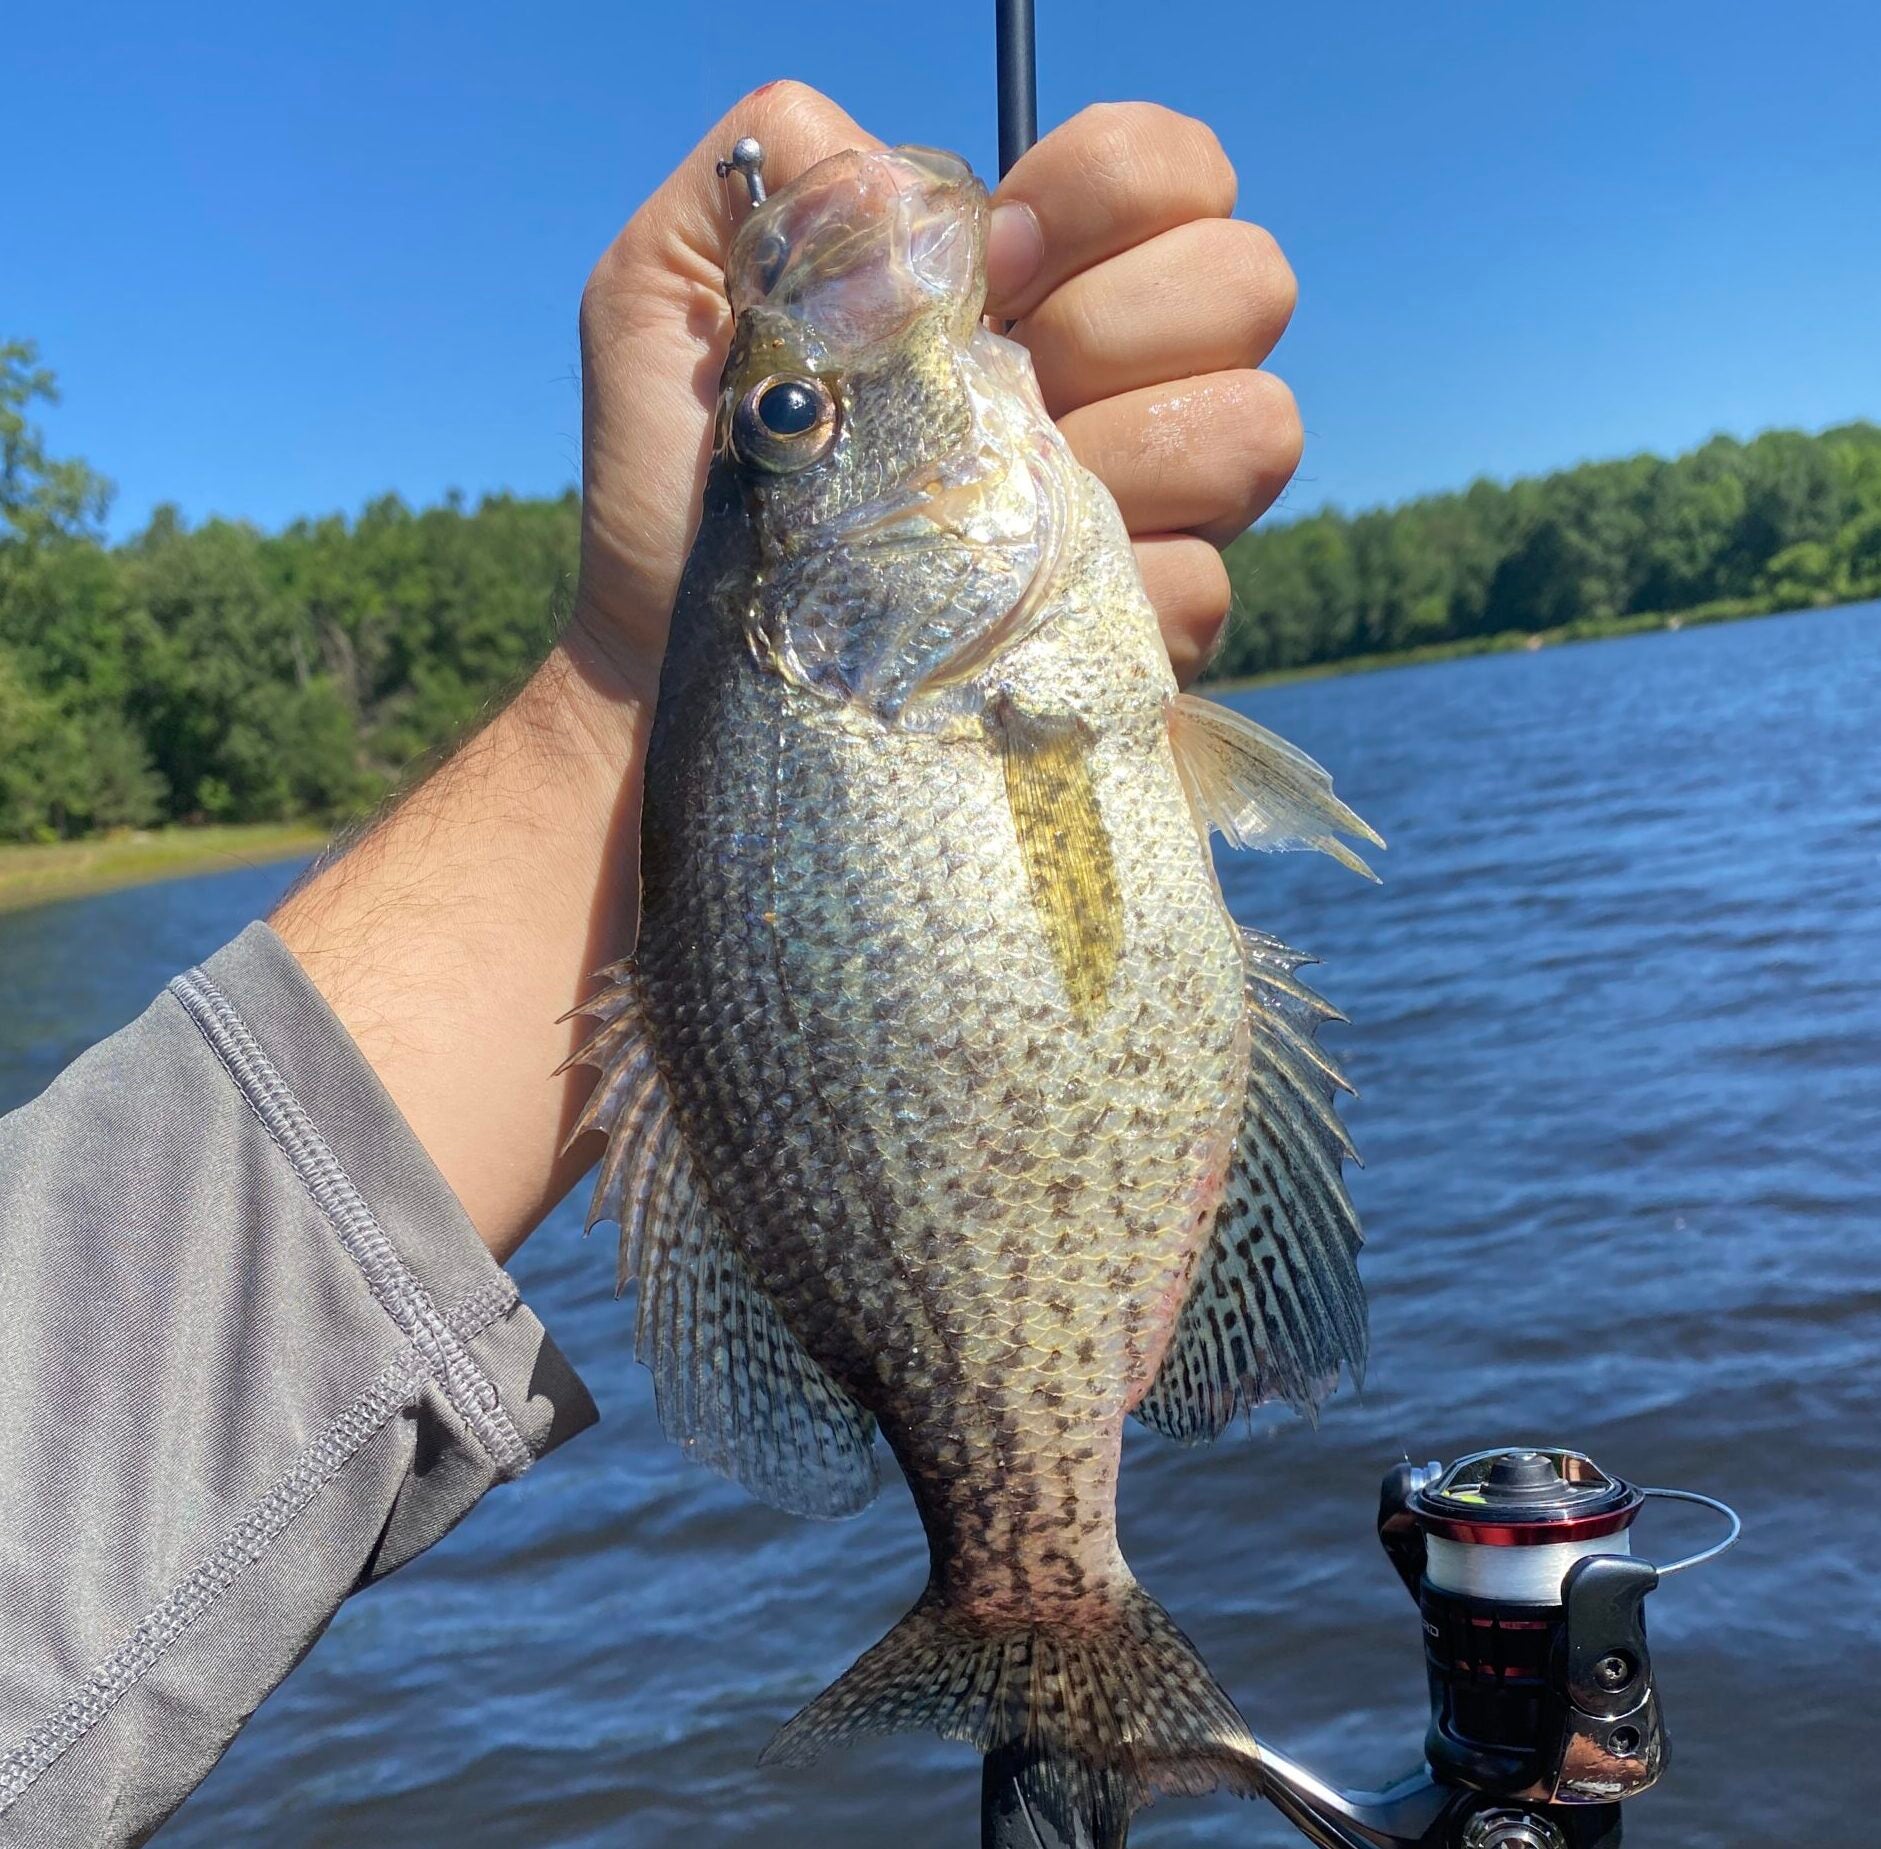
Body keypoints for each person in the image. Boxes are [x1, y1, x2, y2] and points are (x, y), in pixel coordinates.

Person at [0, 85, 1303, 1844]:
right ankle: (1045, 1597)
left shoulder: (876, 636)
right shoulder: (843, 651)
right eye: (787, 416)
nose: (804, 403)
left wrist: (636, 653)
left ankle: (1039, 1589)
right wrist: (642, 650)